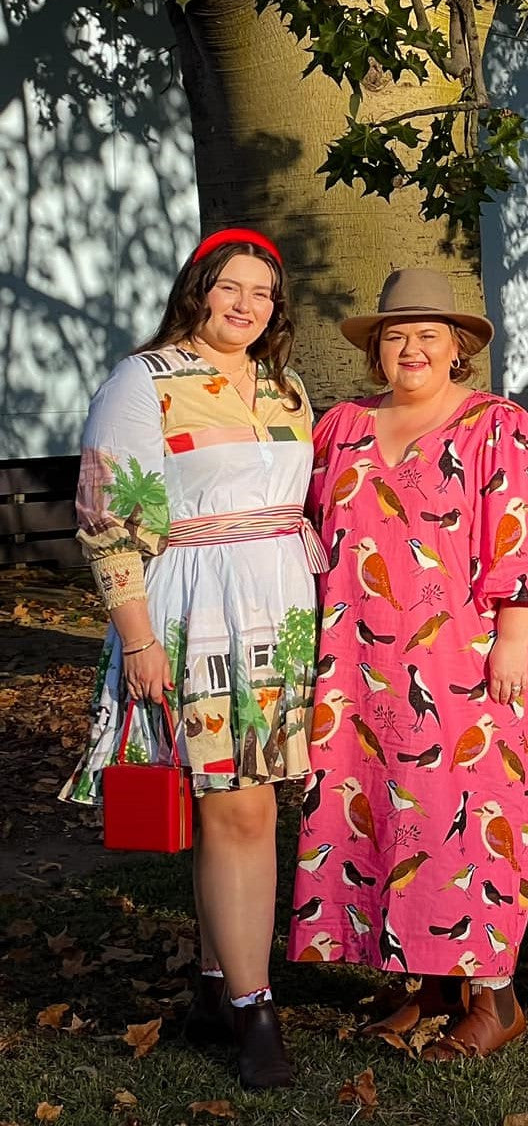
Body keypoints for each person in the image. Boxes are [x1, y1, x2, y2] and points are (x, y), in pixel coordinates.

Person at [287, 268, 528, 1059]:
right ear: (376, 350)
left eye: (429, 335)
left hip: (464, 660)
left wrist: (518, 638)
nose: (412, 348)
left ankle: (495, 996)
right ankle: (419, 978)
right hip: (354, 663)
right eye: (396, 335)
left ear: (457, 349)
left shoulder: (499, 425)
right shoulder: (342, 426)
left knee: (467, 814)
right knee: (380, 814)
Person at [63, 228, 320, 1088]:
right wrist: (136, 635)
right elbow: (109, 511)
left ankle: (216, 988)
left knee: (248, 809)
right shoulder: (145, 380)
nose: (246, 306)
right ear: (198, 289)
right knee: (235, 811)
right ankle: (255, 1009)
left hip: (279, 617)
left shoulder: (287, 387)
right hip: (195, 616)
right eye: (230, 288)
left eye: (263, 293)